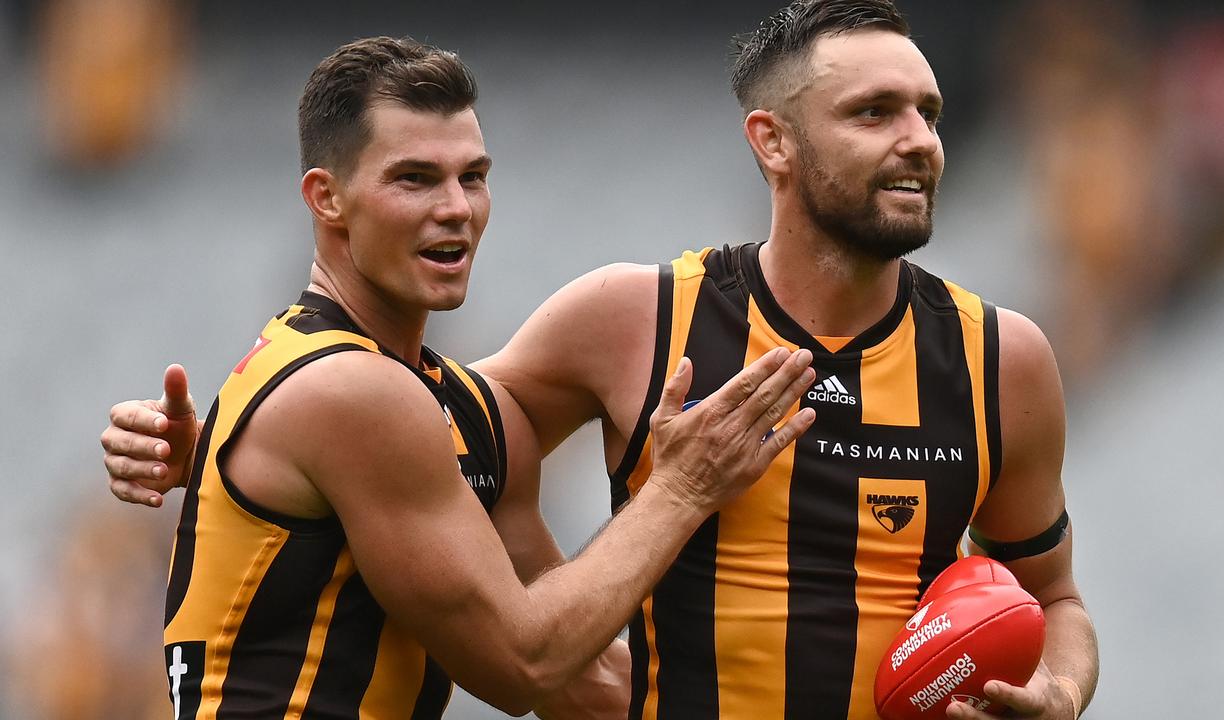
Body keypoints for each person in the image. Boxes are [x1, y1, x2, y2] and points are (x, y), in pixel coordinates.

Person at [103, 2, 1099, 718]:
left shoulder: (996, 359)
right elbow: (428, 471)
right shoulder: (633, 319)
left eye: (926, 109)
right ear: (774, 143)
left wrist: (1055, 690)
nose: (919, 139)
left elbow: (1052, 598)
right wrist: (252, 448)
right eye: (874, 112)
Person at [108, 36, 818, 720]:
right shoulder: (349, 392)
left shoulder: (468, 412)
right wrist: (681, 488)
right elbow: (521, 666)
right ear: (326, 198)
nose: (456, 207)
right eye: (414, 178)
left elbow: (589, 688)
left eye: (472, 177)